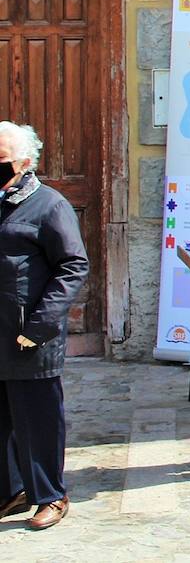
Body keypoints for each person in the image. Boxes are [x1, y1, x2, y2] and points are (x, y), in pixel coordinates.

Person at [0, 122, 88, 530]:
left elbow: (72, 266)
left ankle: (51, 495)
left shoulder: (49, 205)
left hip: (29, 332)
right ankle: (12, 490)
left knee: (38, 417)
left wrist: (39, 325)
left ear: (25, 162)